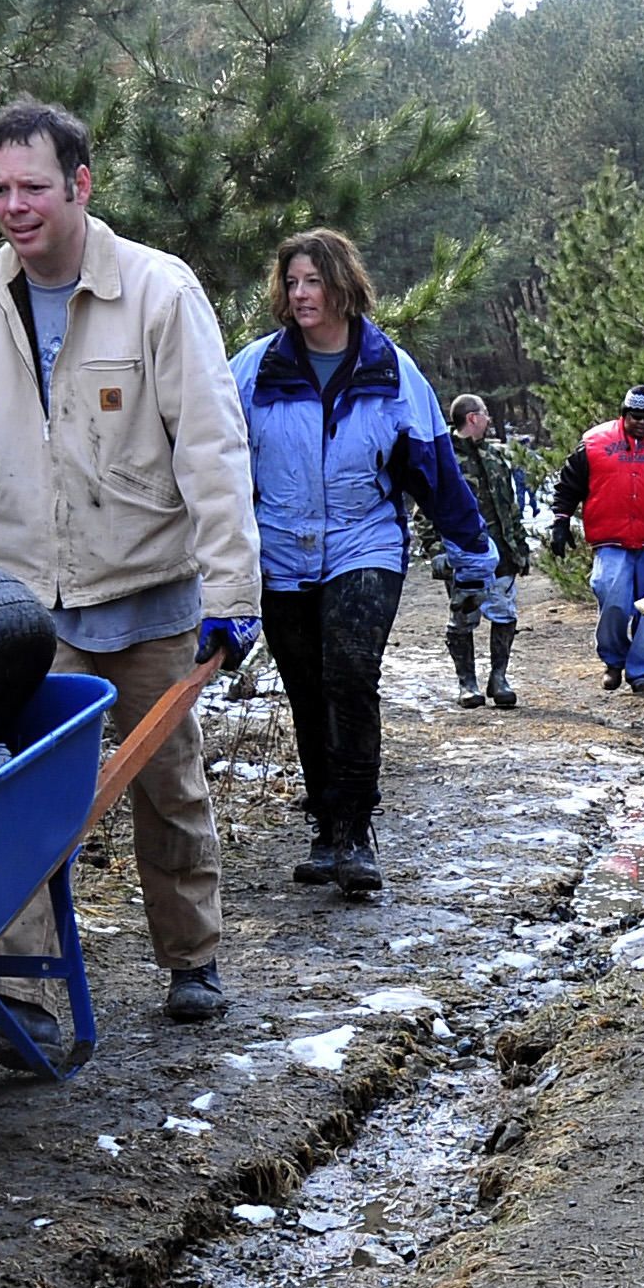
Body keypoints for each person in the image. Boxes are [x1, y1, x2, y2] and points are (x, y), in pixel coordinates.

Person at [0, 98, 262, 1043]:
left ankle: (192, 959)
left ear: (80, 185)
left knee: (170, 788)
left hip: (149, 598)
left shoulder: (156, 292)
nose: (15, 207)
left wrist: (232, 596)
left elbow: (215, 456)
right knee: (10, 797)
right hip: (30, 614)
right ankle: (18, 987)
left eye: (33, 187)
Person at [231, 228, 492, 897]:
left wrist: (473, 547)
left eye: (312, 281)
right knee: (308, 687)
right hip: (281, 549)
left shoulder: (391, 371)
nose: (299, 294)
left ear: (343, 286)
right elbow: (215, 465)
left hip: (363, 541)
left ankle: (354, 831)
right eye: (290, 283)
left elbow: (433, 469)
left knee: (348, 672)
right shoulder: (253, 371)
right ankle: (323, 829)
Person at [547, 386, 644, 695]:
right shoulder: (595, 443)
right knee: (612, 599)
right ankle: (613, 659)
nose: (641, 422)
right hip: (610, 538)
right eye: (635, 416)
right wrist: (560, 521)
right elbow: (568, 485)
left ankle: (641, 672)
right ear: (623, 414)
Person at [417, 393, 529, 709]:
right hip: (464, 555)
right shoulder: (444, 460)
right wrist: (436, 551)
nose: (490, 418)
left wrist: (519, 547)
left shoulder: (494, 458)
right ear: (472, 418)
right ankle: (467, 683)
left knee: (505, 615)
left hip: (501, 555)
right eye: (485, 413)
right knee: (463, 620)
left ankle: (499, 678)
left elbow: (510, 508)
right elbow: (425, 510)